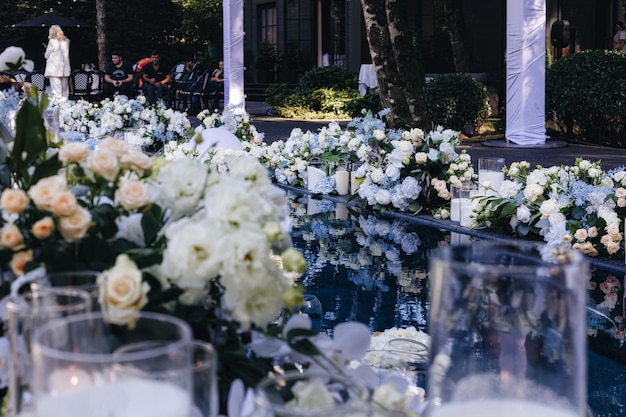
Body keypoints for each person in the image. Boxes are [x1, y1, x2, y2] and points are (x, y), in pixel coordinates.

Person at [44, 24, 71, 98]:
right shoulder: (67, 41)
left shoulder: (52, 41)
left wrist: (47, 48)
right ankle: (67, 106)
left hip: (54, 69)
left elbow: (46, 55)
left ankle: (58, 106)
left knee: (56, 91)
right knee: (65, 90)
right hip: (65, 68)